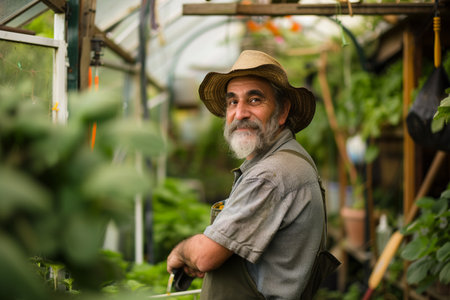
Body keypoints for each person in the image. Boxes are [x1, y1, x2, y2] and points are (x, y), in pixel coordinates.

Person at [167, 50, 325, 299]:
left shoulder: (271, 175)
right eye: (232, 102)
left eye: (254, 100)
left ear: (283, 111)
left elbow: (206, 256)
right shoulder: (286, 160)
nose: (239, 113)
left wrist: (181, 252)